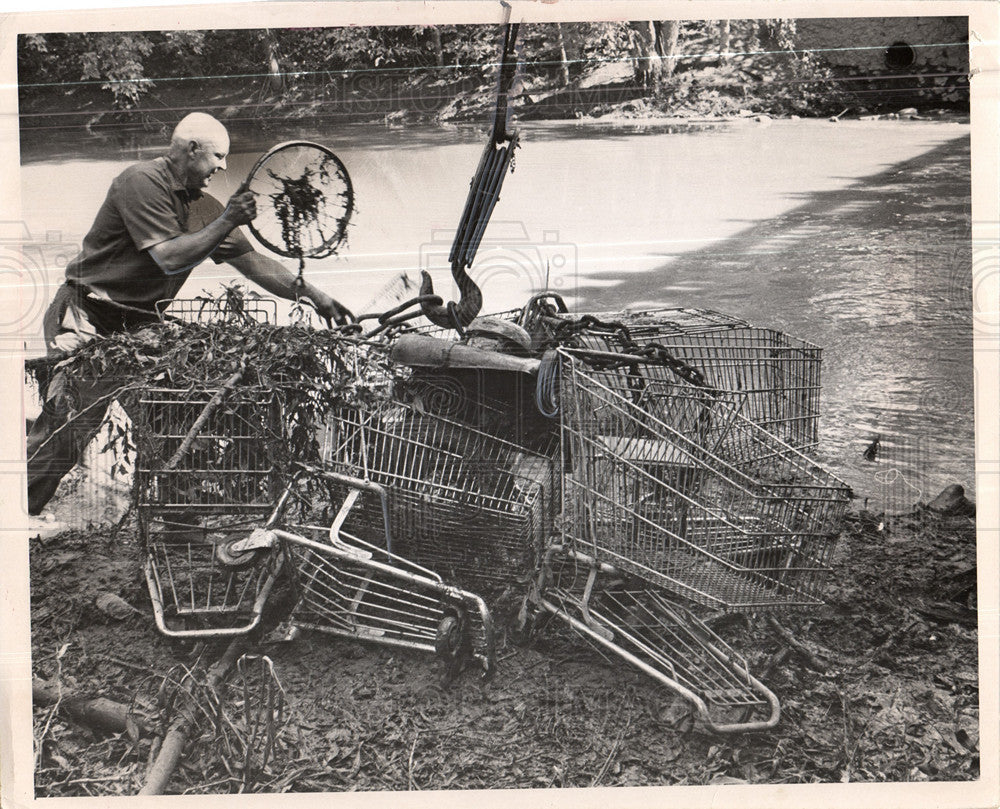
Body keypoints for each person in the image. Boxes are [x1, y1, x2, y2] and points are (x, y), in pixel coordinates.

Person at [26, 112, 351, 516]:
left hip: (141, 324)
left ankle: (177, 516)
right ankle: (15, 509)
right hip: (87, 313)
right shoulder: (140, 182)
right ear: (191, 149)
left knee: (169, 417)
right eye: (218, 156)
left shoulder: (207, 208)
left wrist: (316, 296)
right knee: (69, 428)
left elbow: (255, 264)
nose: (223, 166)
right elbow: (168, 257)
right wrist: (230, 218)